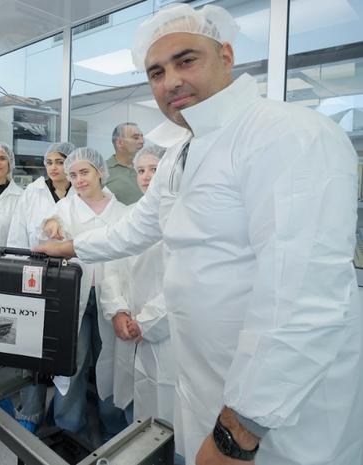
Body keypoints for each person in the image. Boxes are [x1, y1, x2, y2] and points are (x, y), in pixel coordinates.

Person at [35, 4, 363, 465]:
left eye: (186, 60)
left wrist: (238, 433)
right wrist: (69, 246)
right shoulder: (180, 154)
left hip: (282, 420)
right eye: (156, 72)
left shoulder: (289, 135)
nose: (170, 81)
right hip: (210, 387)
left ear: (225, 55)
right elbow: (141, 224)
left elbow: (301, 299)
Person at [41, 147, 129, 444]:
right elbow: (47, 233)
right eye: (73, 174)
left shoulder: (124, 213)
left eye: (84, 172)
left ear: (100, 172)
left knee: (113, 362)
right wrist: (50, 225)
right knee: (72, 363)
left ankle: (114, 427)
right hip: (74, 297)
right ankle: (68, 429)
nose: (78, 180)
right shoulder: (65, 208)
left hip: (113, 299)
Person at [99, 144, 179, 444]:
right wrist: (118, 311)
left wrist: (147, 322)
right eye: (141, 170)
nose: (146, 176)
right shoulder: (129, 217)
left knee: (166, 413)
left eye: (154, 169)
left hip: (166, 332)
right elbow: (110, 270)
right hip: (128, 329)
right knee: (129, 400)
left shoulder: (184, 219)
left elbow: (182, 282)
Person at [6, 141, 76, 432]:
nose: (54, 167)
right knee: (31, 347)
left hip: (72, 279)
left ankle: (65, 418)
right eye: (49, 162)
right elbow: (17, 234)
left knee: (68, 350)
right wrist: (12, 272)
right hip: (35, 276)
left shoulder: (81, 190)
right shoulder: (32, 193)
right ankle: (30, 412)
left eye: (59, 161)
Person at [105, 123, 145, 205]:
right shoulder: (101, 171)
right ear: (120, 143)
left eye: (142, 137)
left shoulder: (149, 168)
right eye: (136, 138)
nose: (142, 141)